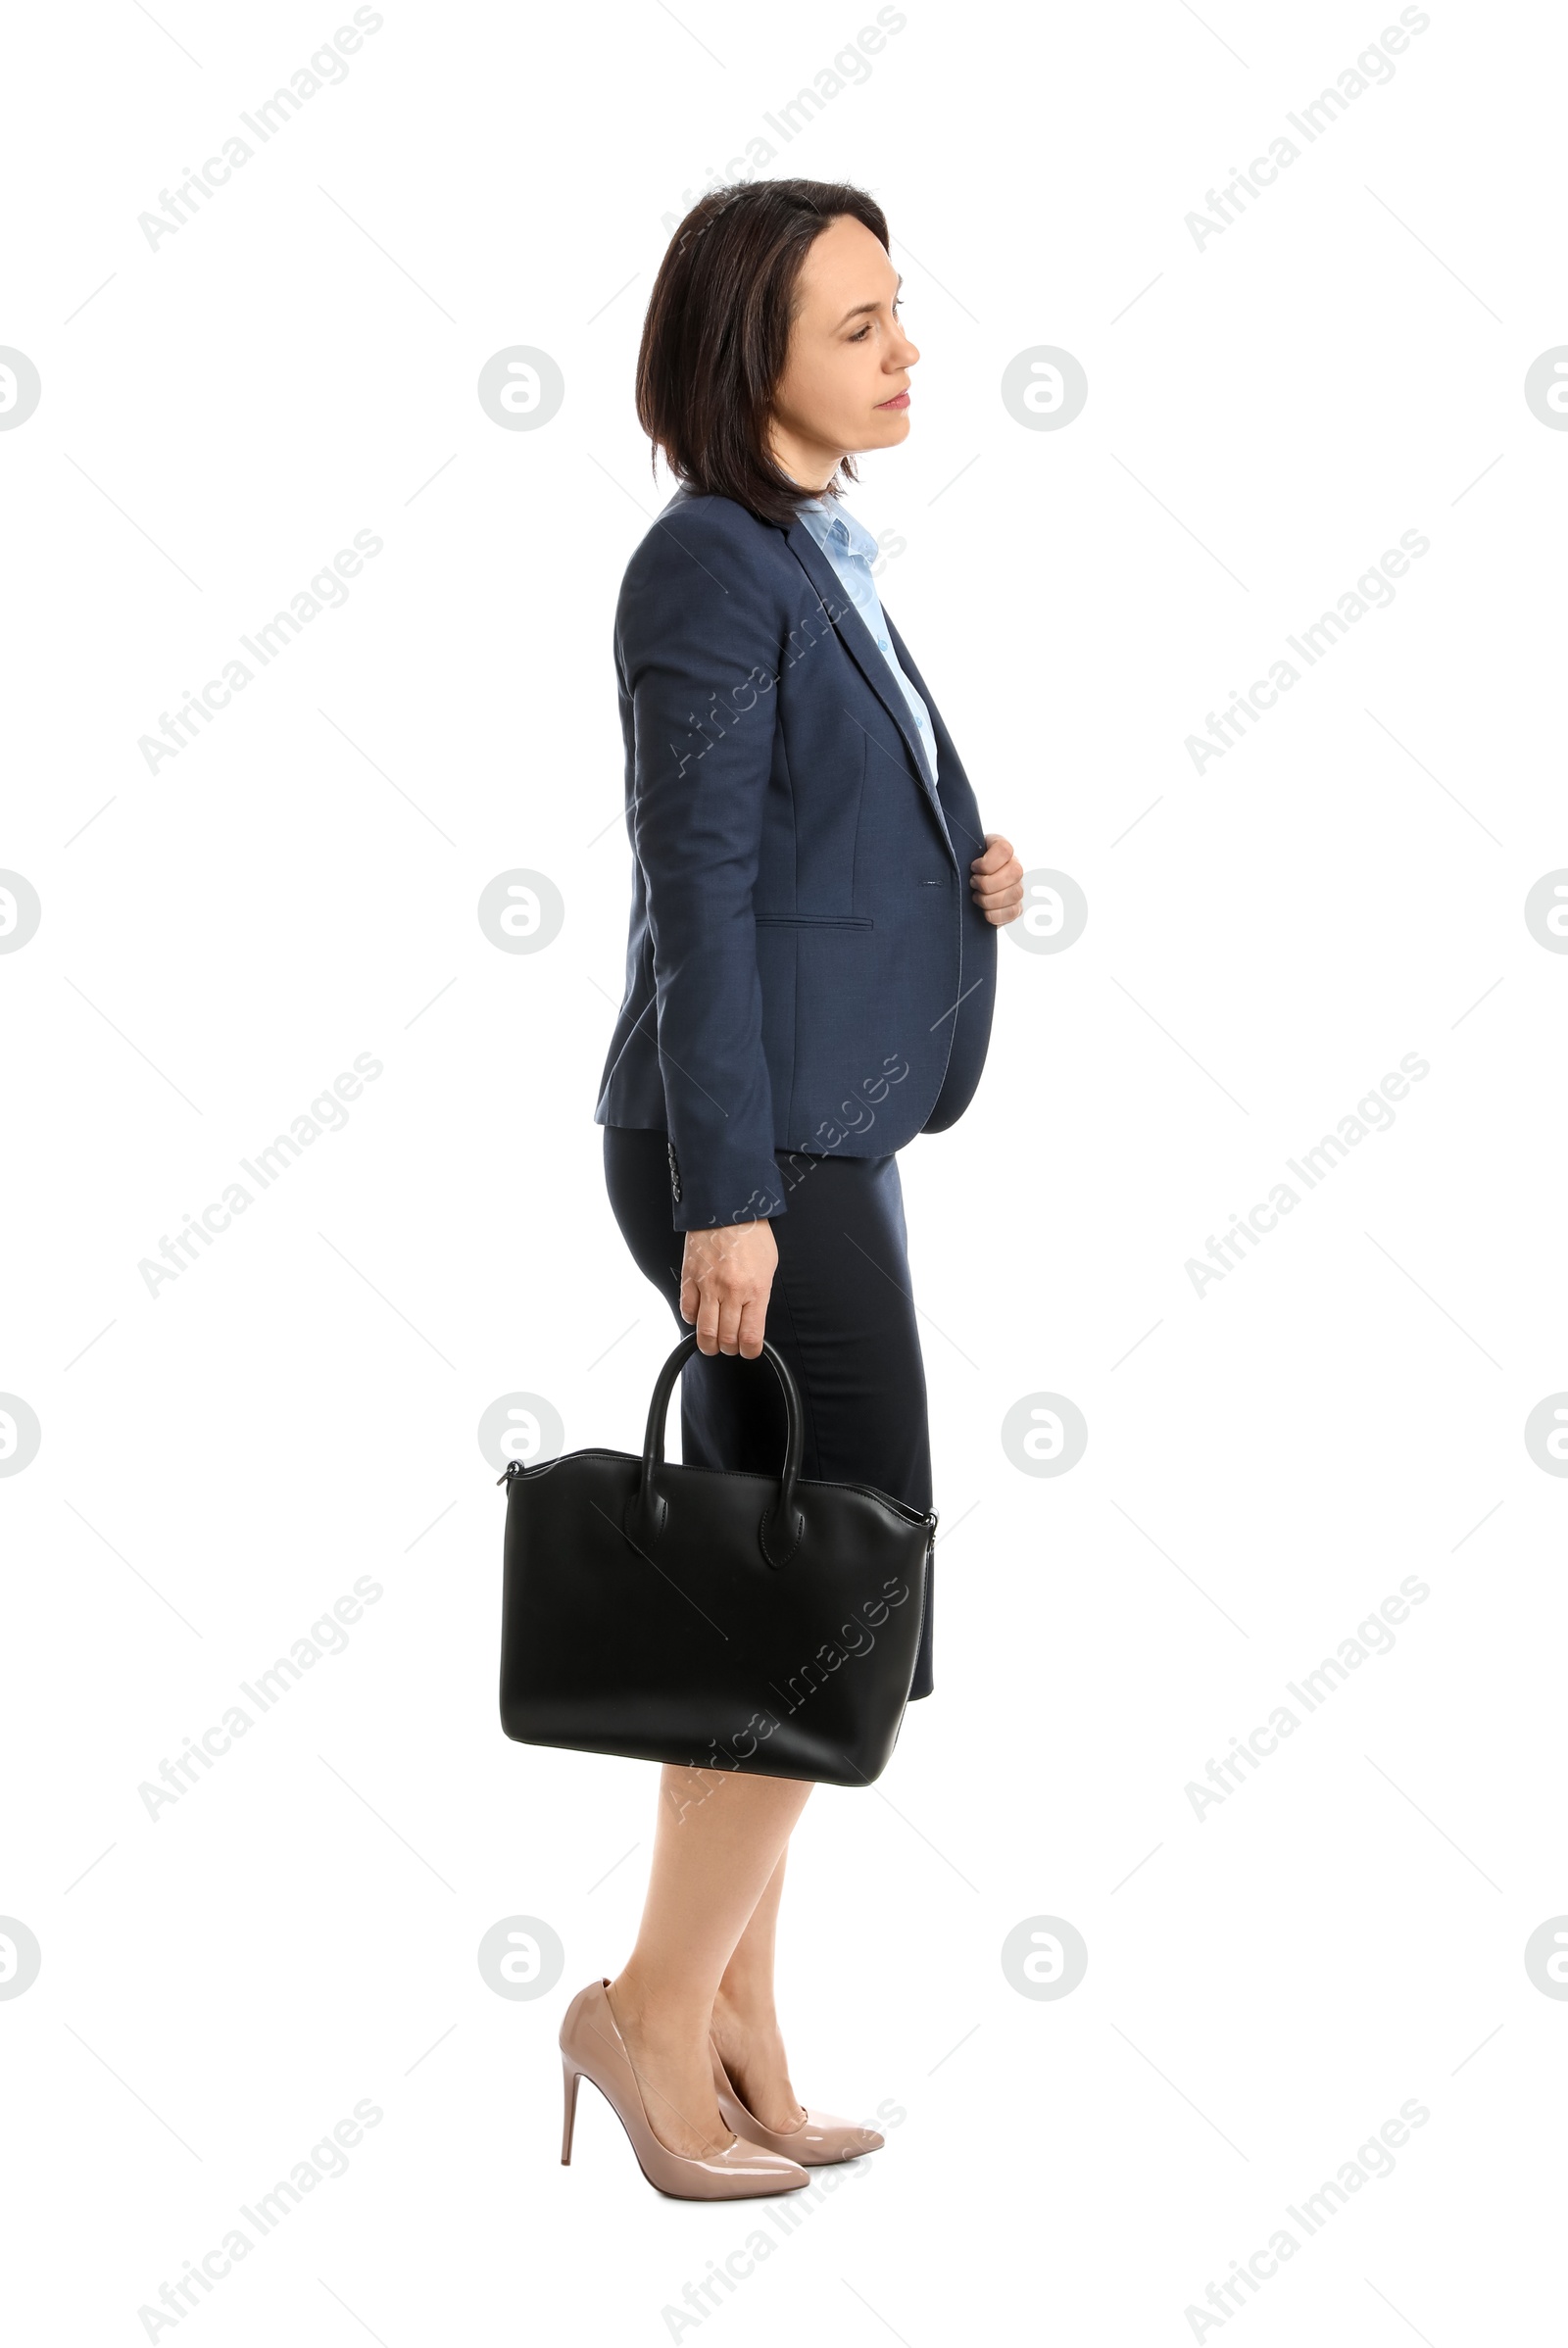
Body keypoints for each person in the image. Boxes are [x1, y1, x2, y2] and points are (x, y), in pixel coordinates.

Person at [559, 177, 1024, 2200]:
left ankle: (733, 2016)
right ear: (747, 351)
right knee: (837, 1597)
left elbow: (827, 821)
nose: (904, 349)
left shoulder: (809, 547)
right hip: (748, 1154)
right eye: (856, 325)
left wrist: (965, 873)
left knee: (795, 1589)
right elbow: (699, 897)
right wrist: (727, 1198)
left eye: (897, 312)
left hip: (828, 1138)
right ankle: (648, 2012)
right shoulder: (702, 569)